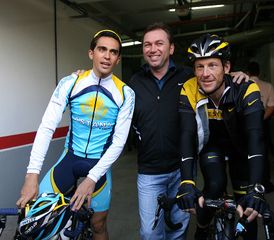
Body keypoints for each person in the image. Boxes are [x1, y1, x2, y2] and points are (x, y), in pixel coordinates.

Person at [128, 22, 249, 240]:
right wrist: (87, 75)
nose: (152, 49)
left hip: (182, 169)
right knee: (149, 233)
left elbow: (217, 77)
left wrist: (236, 76)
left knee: (178, 231)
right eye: (147, 44)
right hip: (149, 170)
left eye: (159, 43)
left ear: (171, 48)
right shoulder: (134, 82)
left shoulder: (190, 77)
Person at [16, 29, 135, 240]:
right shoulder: (70, 82)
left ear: (118, 59)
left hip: (99, 165)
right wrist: (31, 175)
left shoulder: (126, 93)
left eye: (113, 52)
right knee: (40, 219)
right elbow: (46, 127)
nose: (107, 56)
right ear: (92, 53)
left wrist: (91, 178)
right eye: (102, 49)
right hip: (69, 158)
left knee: (98, 225)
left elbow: (119, 142)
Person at [176, 34, 268, 240]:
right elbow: (186, 134)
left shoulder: (245, 88)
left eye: (212, 65)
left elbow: (256, 137)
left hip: (242, 151)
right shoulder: (189, 88)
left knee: (248, 208)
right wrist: (187, 182)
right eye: (199, 67)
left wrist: (257, 187)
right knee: (214, 187)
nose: (205, 73)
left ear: (226, 67)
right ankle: (202, 227)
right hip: (212, 148)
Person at [247, 61, 274, 180]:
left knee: (247, 144)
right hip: (263, 119)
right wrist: (261, 119)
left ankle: (251, 170)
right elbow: (271, 106)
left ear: (247, 73)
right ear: (259, 72)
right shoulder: (268, 86)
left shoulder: (244, 84)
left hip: (247, 120)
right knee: (267, 143)